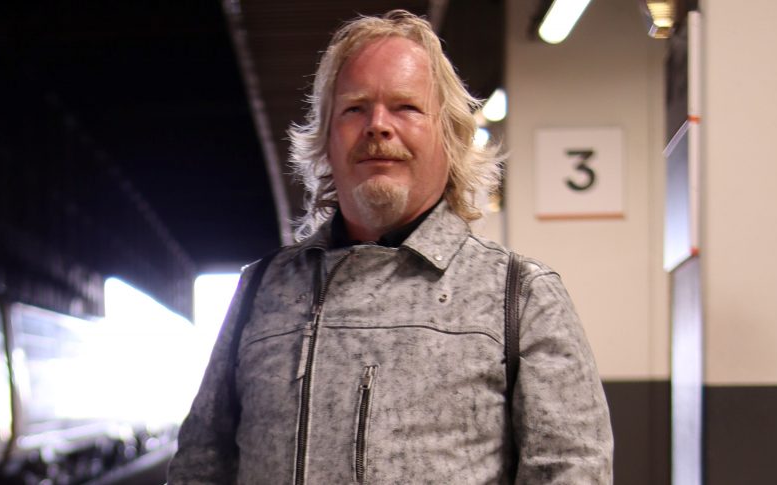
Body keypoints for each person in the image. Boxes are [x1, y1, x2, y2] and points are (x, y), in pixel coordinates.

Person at [168, 10, 612, 484]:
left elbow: (572, 473)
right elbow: (201, 464)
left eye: (406, 107)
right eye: (355, 108)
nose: (378, 126)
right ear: (326, 140)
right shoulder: (261, 289)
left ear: (450, 135)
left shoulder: (521, 296)